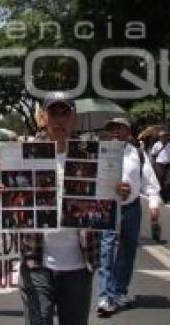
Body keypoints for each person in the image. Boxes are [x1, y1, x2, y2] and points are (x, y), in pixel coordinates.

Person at [9, 92, 113, 325]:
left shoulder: (93, 157)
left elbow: (109, 200)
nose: (59, 120)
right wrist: (3, 194)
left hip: (79, 265)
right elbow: (13, 201)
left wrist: (120, 193)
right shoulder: (22, 155)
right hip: (36, 261)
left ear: (74, 119)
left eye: (65, 113)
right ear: (42, 119)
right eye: (53, 113)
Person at [97, 117, 161, 316]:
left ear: (128, 132)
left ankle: (119, 291)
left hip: (131, 208)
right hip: (107, 206)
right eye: (112, 128)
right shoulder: (98, 153)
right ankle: (105, 296)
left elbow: (150, 183)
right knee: (106, 250)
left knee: (127, 251)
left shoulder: (138, 154)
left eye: (120, 128)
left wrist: (153, 204)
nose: (116, 131)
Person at [149, 130, 170, 203]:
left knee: (168, 182)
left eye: (165, 136)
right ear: (159, 137)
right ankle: (161, 196)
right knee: (160, 181)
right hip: (159, 164)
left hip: (168, 165)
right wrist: (152, 165)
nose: (163, 138)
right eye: (162, 136)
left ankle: (168, 197)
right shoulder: (156, 144)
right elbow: (153, 155)